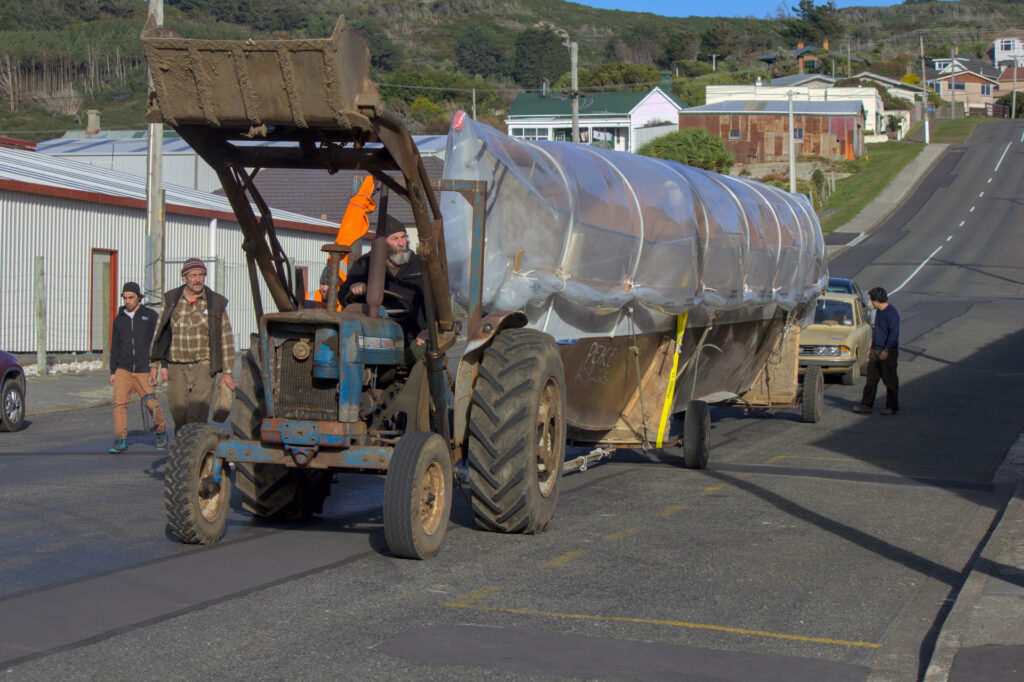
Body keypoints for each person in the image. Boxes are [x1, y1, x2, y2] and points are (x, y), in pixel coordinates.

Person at [150, 258, 236, 432]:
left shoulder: (215, 303)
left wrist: (227, 372)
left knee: (196, 415)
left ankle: (193, 453)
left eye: (201, 275)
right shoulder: (171, 299)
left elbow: (226, 339)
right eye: (193, 275)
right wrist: (154, 365)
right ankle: (183, 449)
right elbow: (159, 332)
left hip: (204, 366)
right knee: (179, 412)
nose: (198, 279)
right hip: (176, 366)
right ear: (184, 278)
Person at [340, 215, 428, 351]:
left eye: (403, 237)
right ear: (382, 244)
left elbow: (435, 302)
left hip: (412, 338)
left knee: (423, 355)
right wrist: (353, 288)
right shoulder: (365, 264)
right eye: (395, 238)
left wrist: (429, 330)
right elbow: (344, 292)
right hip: (374, 335)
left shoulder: (419, 266)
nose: (402, 243)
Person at [108, 282, 167, 453]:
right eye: (125, 298)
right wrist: (113, 371)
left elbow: (158, 342)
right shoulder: (119, 319)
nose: (128, 301)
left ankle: (161, 432)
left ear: (139, 298)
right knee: (119, 403)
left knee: (151, 403)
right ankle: (120, 439)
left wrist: (162, 365)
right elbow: (115, 347)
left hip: (144, 368)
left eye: (131, 297)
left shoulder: (149, 316)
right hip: (123, 369)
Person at [852, 287, 899, 415]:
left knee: (890, 380)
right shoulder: (878, 311)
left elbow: (893, 334)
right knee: (871, 380)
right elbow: (877, 330)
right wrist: (871, 347)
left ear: (877, 300)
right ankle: (866, 405)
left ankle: (891, 406)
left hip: (887, 351)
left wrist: (886, 350)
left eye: (871, 300)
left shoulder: (891, 313)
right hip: (876, 350)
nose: (870, 302)